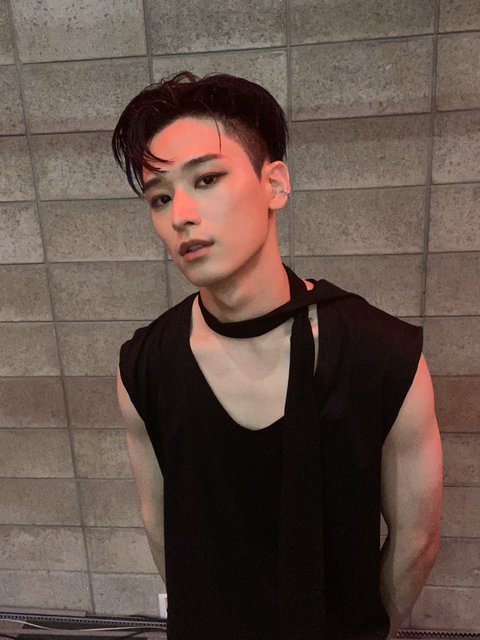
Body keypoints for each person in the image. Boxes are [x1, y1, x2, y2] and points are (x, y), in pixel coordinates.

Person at [112, 71, 442, 640]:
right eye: (160, 197)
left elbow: (418, 543)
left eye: (207, 179)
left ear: (275, 185)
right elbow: (162, 530)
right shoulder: (146, 367)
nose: (180, 214)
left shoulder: (380, 355)